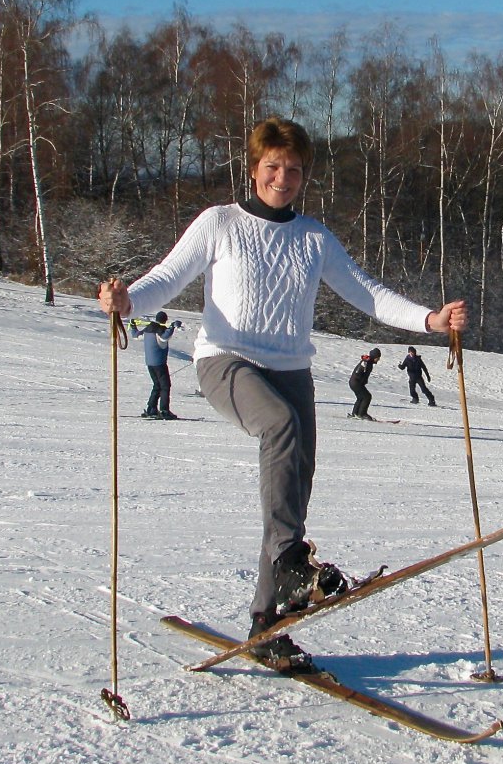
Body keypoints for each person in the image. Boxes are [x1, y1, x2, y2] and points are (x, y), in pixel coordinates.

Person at [98, 117, 467, 672]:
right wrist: (128, 302)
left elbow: (366, 292)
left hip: (293, 371)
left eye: (293, 169)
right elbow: (167, 279)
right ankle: (295, 564)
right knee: (279, 427)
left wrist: (430, 319)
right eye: (272, 166)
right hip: (226, 361)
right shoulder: (219, 223)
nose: (283, 177)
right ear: (253, 170)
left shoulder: (314, 237)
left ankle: (267, 624)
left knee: (293, 487)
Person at [129, 310, 181, 419]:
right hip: (159, 363)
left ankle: (151, 408)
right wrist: (172, 327)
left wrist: (133, 326)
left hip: (150, 364)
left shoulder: (148, 330)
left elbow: (135, 336)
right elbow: (164, 337)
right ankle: (164, 410)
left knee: (157, 385)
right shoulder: (159, 330)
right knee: (165, 386)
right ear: (164, 320)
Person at [348, 348, 381, 419]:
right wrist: (361, 379)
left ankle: (355, 413)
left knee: (361, 397)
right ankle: (362, 414)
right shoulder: (366, 362)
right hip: (356, 382)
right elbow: (358, 371)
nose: (378, 359)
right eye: (378, 358)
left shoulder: (368, 361)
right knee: (367, 396)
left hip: (355, 382)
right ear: (375, 357)